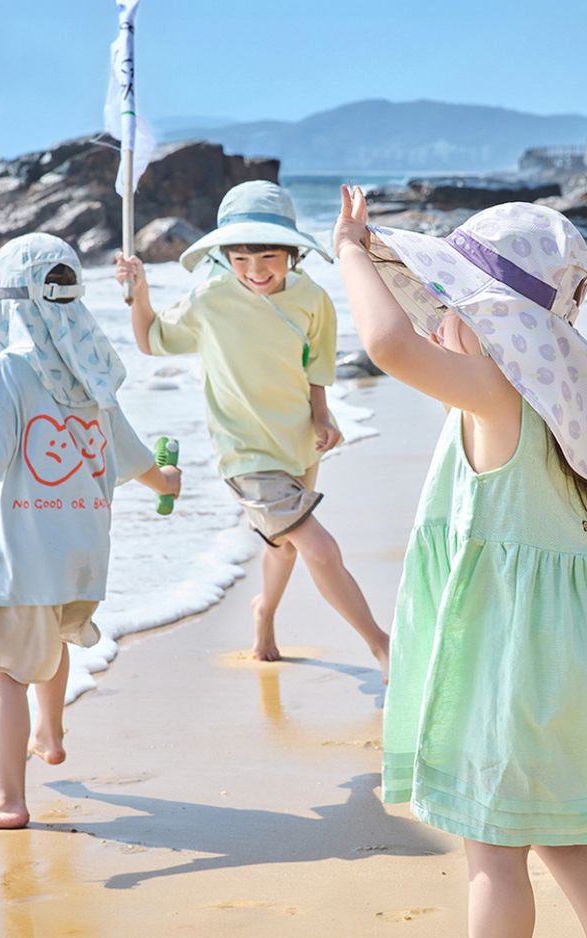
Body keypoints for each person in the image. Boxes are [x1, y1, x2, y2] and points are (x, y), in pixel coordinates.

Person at [335, 186, 587, 937]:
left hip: (511, 666)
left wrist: (351, 252)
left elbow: (388, 346)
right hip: (557, 659)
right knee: (562, 838)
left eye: (450, 301)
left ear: (494, 322)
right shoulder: (551, 413)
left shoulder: (496, 396)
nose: (436, 317)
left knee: (491, 848)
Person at [0, 233, 181, 831]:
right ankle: (50, 731)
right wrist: (168, 483)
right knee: (55, 640)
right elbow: (132, 459)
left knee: (5, 672)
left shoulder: (10, 370)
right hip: (84, 556)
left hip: (23, 561)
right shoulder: (90, 370)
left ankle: (9, 800)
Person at [115, 180, 389, 674]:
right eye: (240, 259)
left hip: (298, 439)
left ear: (291, 253)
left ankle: (263, 613)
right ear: (224, 255)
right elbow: (152, 340)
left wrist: (322, 416)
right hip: (244, 452)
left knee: (282, 544)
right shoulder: (209, 299)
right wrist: (140, 294)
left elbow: (317, 364)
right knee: (320, 548)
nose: (255, 271)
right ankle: (382, 646)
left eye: (268, 257)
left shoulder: (312, 298)